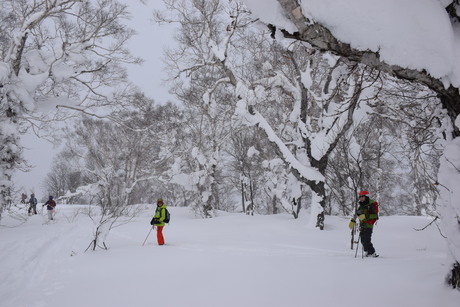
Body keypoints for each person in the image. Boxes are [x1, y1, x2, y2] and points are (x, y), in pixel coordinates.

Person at [350, 190, 379, 257]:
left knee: (366, 240)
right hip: (362, 225)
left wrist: (366, 216)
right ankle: (367, 252)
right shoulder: (361, 206)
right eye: (360, 197)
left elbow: (375, 216)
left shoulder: (370, 205)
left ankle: (372, 253)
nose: (361, 198)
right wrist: (352, 221)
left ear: (365, 197)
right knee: (362, 241)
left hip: (368, 225)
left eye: (362, 196)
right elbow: (357, 215)